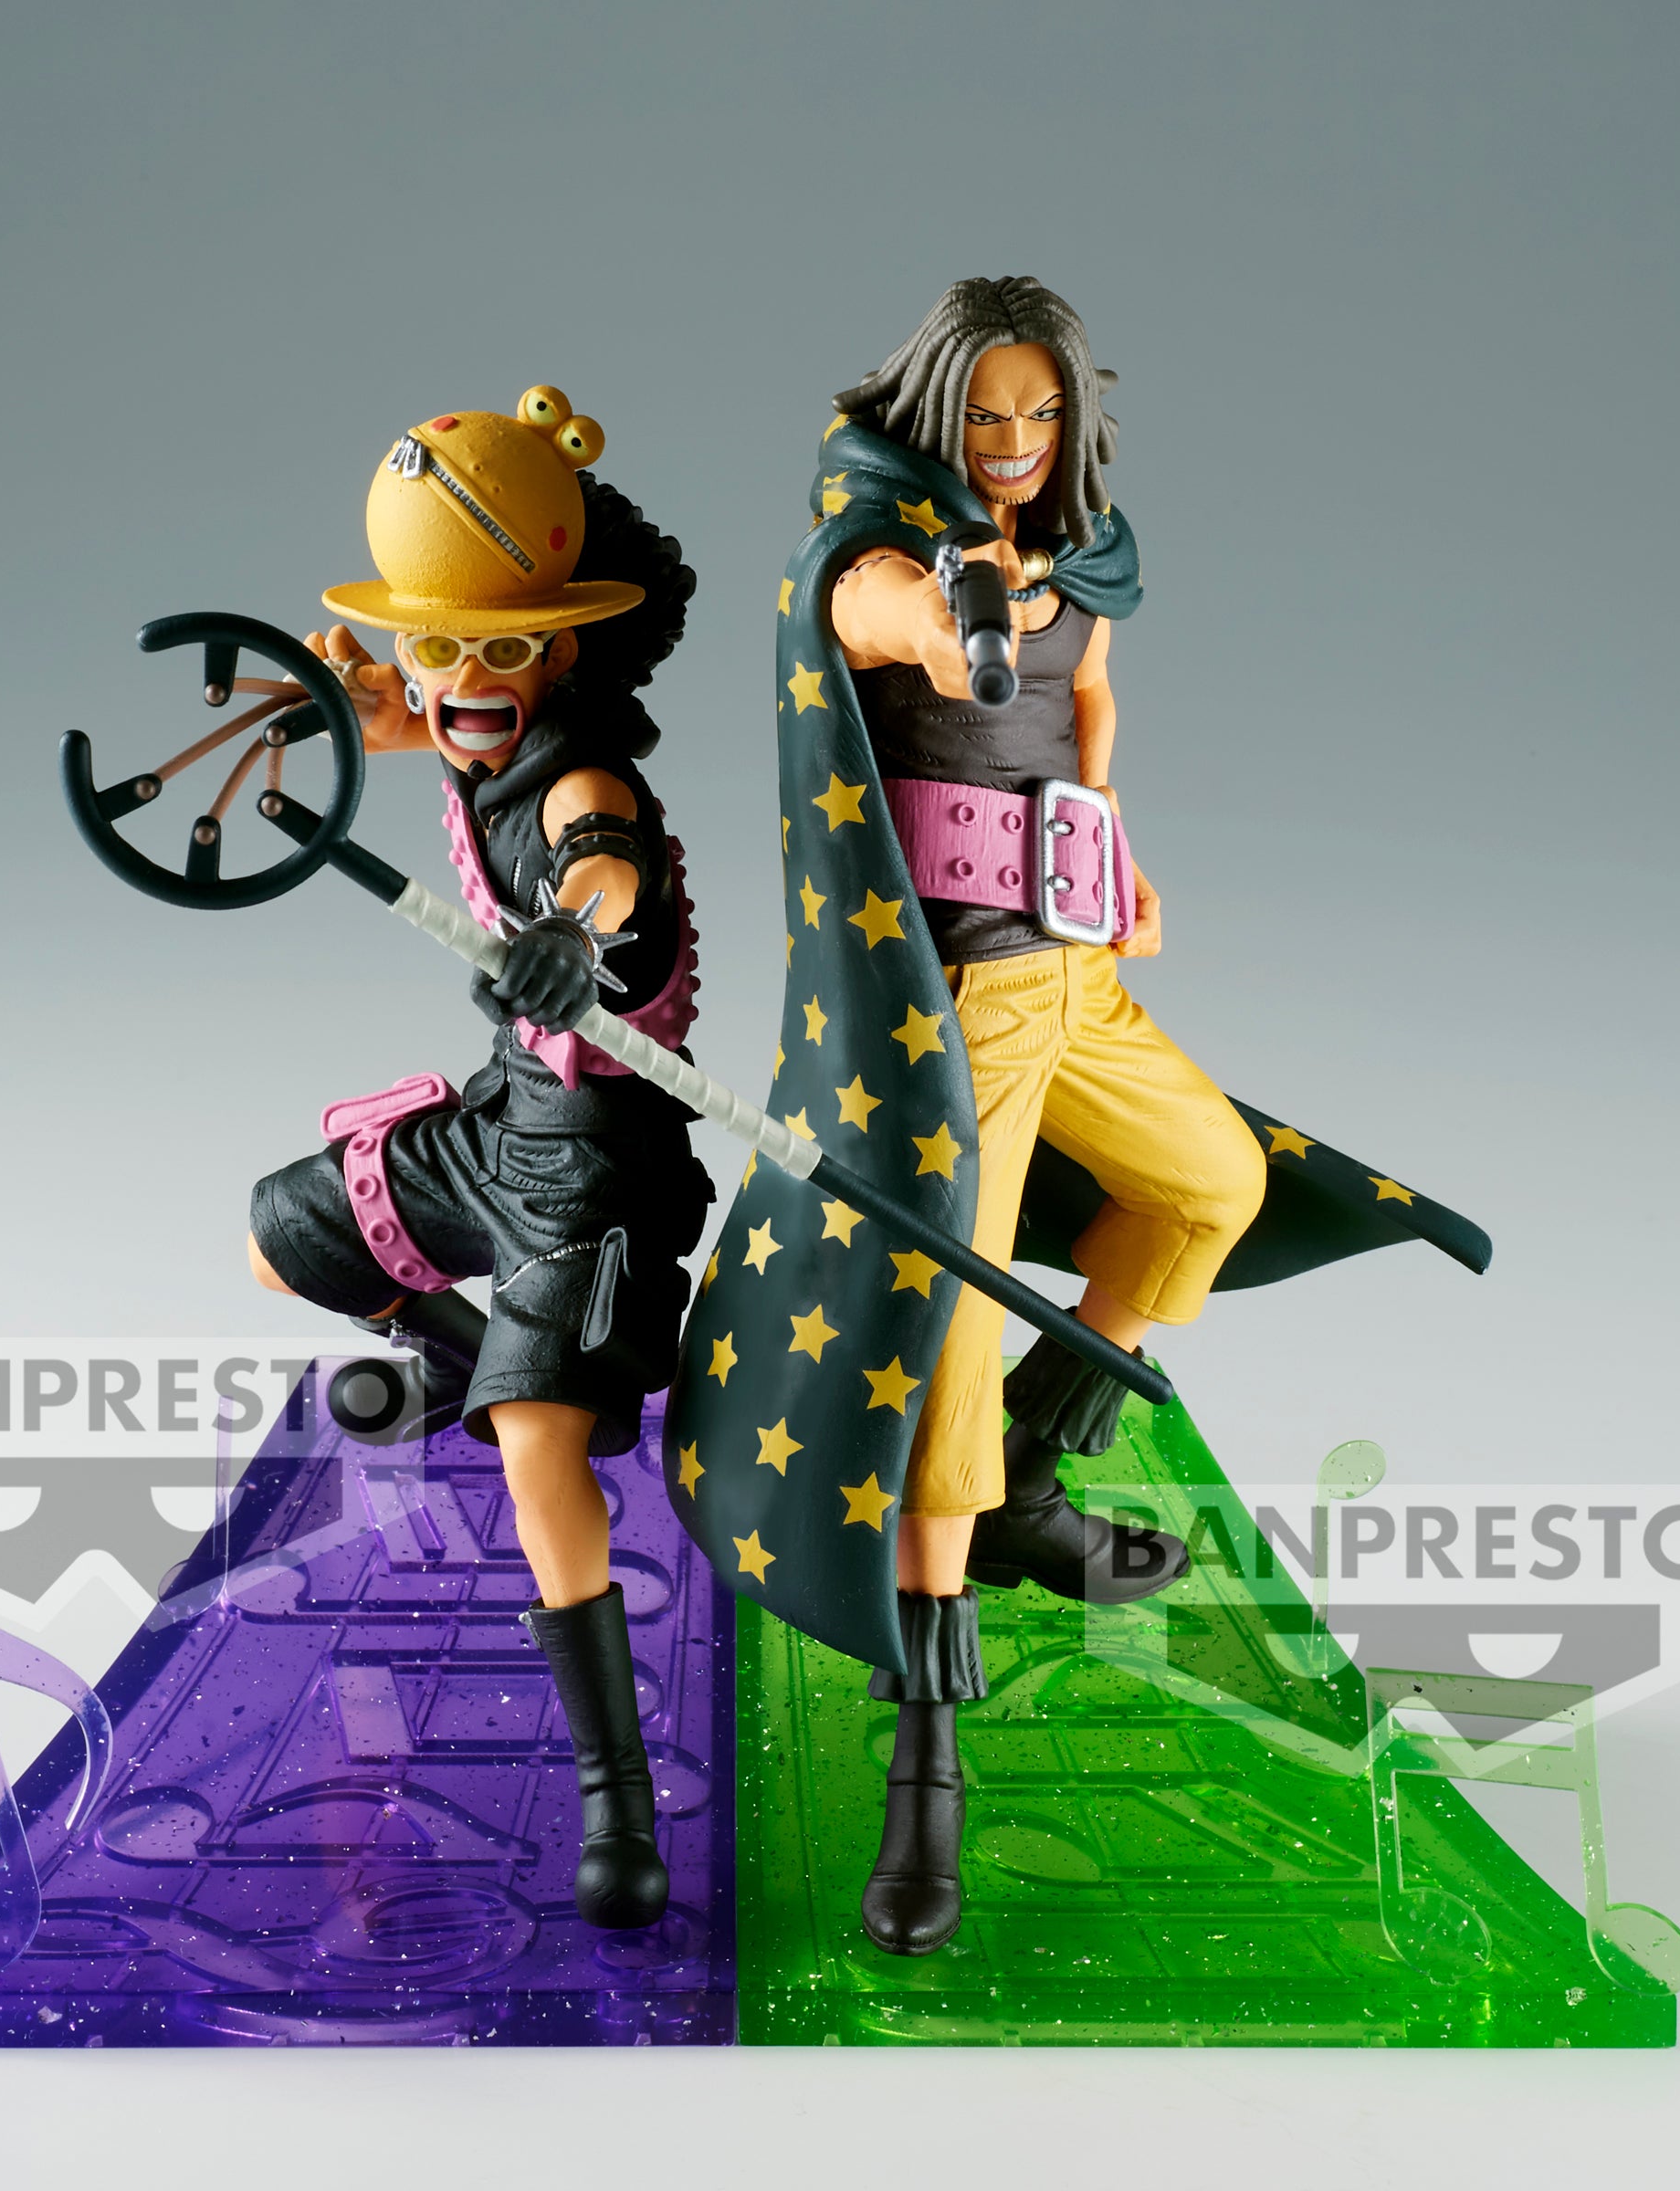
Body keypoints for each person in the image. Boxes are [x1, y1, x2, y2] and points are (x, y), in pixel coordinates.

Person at [665, 279, 1487, 1957]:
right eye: (986, 418)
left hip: (1075, 968)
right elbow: (892, 620)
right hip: (955, 1010)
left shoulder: (1084, 551)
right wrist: (954, 610)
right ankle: (928, 1762)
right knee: (943, 1361)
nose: (1017, 444)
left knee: (1210, 1186)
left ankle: (1037, 1473)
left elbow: (1090, 695)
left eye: (1042, 416)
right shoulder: (869, 551)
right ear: (933, 413)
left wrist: (1113, 841)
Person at [247, 389, 712, 1932]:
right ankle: (463, 1356)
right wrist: (339, 700)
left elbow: (603, 860)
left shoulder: (584, 776)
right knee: (282, 1239)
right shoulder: (455, 717)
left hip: (596, 1163)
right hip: (501, 1116)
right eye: (435, 647)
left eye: (498, 650)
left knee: (536, 1455)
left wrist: (580, 929)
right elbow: (389, 723)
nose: (460, 683)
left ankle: (615, 1800)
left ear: (564, 649)